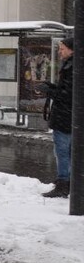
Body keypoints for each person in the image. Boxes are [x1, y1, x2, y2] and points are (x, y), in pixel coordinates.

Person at [42, 37, 74, 198]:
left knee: (63, 152)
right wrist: (53, 87)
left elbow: (68, 95)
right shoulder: (72, 65)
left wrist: (50, 91)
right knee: (69, 152)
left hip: (64, 118)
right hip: (70, 117)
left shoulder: (72, 67)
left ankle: (63, 183)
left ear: (71, 50)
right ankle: (69, 181)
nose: (60, 52)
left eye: (62, 49)